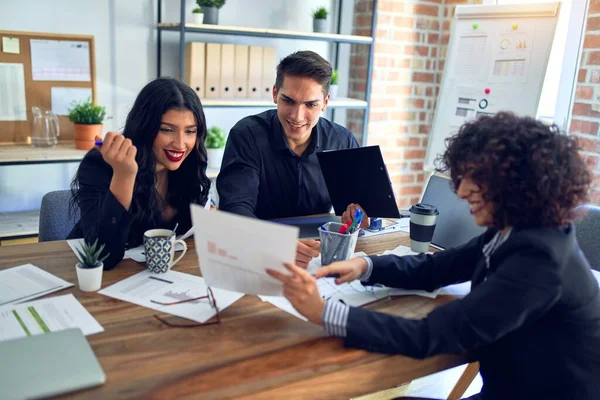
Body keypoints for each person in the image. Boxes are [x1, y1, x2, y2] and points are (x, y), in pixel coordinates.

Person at [268, 112, 600, 399]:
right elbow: (441, 265)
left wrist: (324, 312)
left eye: (477, 178)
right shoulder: (521, 230)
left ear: (519, 183)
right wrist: (365, 265)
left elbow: (432, 335)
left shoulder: (539, 260)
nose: (461, 190)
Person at [216, 50, 361, 267]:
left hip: (319, 254)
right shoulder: (247, 135)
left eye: (310, 104)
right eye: (288, 101)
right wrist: (275, 245)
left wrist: (359, 212)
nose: (297, 116)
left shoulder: (342, 140)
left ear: (325, 102)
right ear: (275, 93)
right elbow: (235, 210)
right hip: (258, 254)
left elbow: (357, 205)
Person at [68, 77, 211, 270]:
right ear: (145, 127)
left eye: (190, 132)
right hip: (91, 277)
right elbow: (102, 257)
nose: (180, 144)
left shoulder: (188, 166)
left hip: (159, 279)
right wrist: (124, 176)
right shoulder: (100, 164)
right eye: (167, 130)